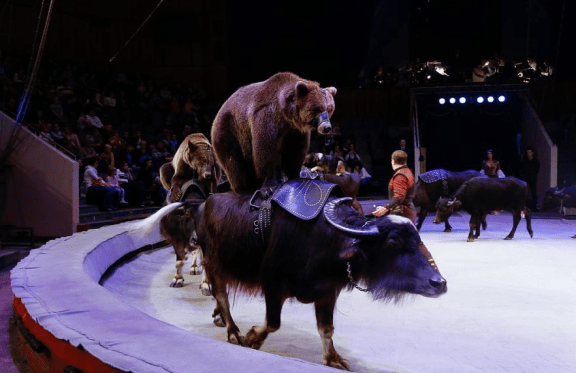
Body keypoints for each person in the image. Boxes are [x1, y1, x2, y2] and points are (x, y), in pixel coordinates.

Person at [372, 150, 440, 272]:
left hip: (402, 213)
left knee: (409, 241)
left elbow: (399, 197)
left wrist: (385, 208)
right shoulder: (407, 172)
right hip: (405, 211)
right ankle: (429, 268)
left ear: (393, 161)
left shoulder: (400, 176)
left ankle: (431, 270)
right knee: (404, 241)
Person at [519, 146, 540, 211]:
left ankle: (534, 207)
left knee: (534, 192)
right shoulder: (524, 161)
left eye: (530, 152)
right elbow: (522, 169)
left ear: (532, 153)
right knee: (525, 192)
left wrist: (533, 176)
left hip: (533, 178)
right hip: (526, 178)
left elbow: (537, 169)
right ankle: (523, 206)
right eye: (527, 152)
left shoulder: (536, 161)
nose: (529, 153)